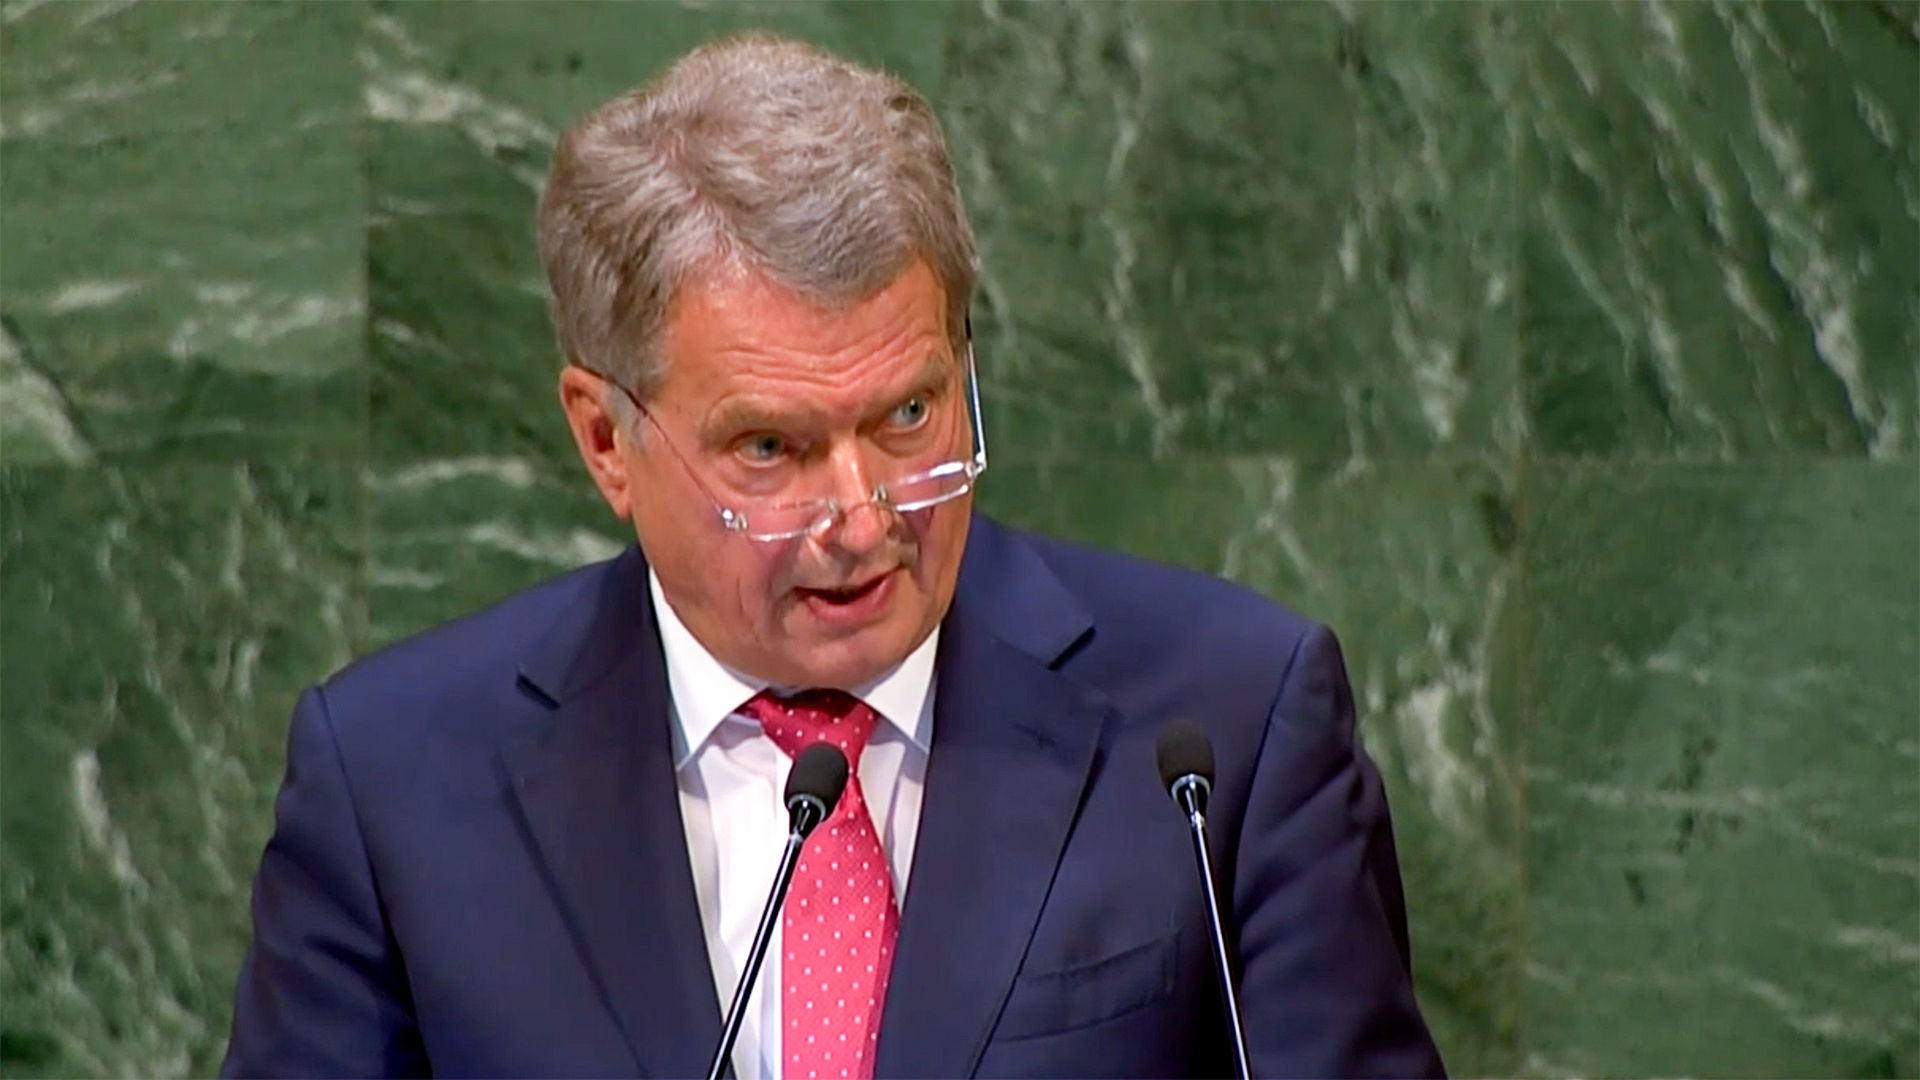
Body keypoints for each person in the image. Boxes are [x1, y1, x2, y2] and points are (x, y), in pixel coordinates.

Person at [222, 32, 1445, 1080]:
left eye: (909, 415)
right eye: (771, 447)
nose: (863, 517)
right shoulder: (395, 787)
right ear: (605, 440)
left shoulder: (1225, 732)